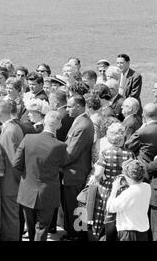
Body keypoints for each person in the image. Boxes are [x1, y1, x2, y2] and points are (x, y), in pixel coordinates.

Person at [13, 111, 68, 241]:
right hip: (48, 192)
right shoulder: (60, 146)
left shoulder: (28, 139)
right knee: (42, 228)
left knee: (31, 228)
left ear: (44, 122)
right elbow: (64, 163)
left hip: (27, 190)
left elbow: (16, 163)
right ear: (59, 125)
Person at [88, 123, 132, 241]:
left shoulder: (106, 153)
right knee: (119, 216)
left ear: (109, 137)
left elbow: (98, 174)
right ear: (123, 137)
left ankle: (102, 235)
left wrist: (96, 179)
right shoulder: (130, 154)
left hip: (106, 188)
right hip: (123, 188)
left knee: (103, 214)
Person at [61, 95, 94, 241]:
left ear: (79, 107)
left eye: (69, 106)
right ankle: (72, 234)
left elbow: (70, 153)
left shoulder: (82, 125)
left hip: (75, 173)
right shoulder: (80, 121)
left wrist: (56, 160)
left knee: (75, 207)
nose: (67, 109)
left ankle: (76, 236)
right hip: (73, 172)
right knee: (71, 207)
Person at [125, 103, 157, 240]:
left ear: (143, 114)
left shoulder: (143, 131)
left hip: (142, 175)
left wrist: (142, 127)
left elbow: (127, 145)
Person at [0, 100, 23, 241]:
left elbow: (14, 161)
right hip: (12, 181)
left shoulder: (9, 131)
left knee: (10, 216)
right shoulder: (13, 127)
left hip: (10, 182)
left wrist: (18, 182)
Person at [106, 160, 151, 241]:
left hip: (129, 233)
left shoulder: (129, 192)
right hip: (143, 231)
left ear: (128, 176)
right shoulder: (147, 187)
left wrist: (114, 189)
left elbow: (110, 207)